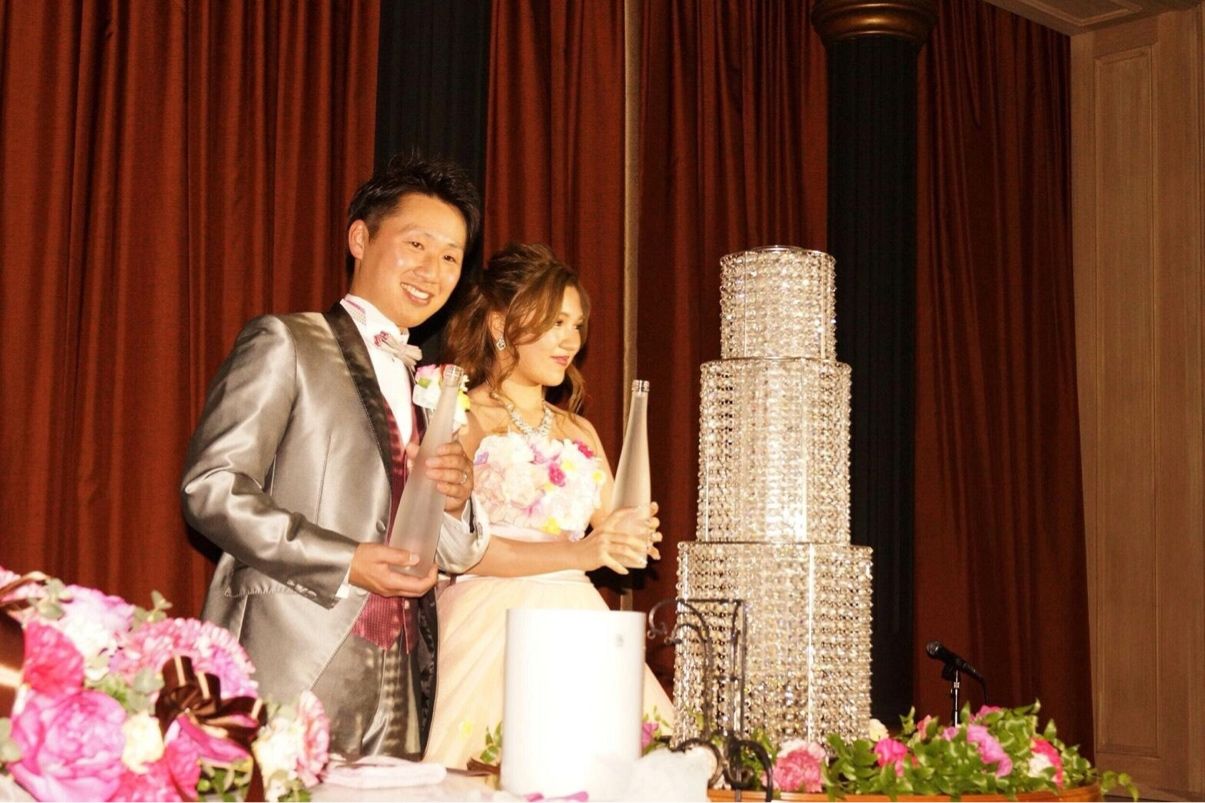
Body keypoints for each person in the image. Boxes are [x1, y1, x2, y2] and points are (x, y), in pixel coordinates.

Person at [180, 155, 490, 759]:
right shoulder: (287, 342)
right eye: (417, 244)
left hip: (401, 678)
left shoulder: (431, 386)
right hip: (292, 657)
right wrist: (347, 561)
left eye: (451, 257)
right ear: (360, 238)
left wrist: (455, 501)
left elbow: (454, 553)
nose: (433, 271)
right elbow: (211, 486)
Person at [422, 242, 674, 770]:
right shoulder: (464, 417)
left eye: (576, 325)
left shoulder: (578, 430)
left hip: (579, 623)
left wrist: (632, 536)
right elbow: (458, 551)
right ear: (500, 324)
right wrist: (584, 553)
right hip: (491, 623)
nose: (571, 340)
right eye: (556, 322)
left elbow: (615, 536)